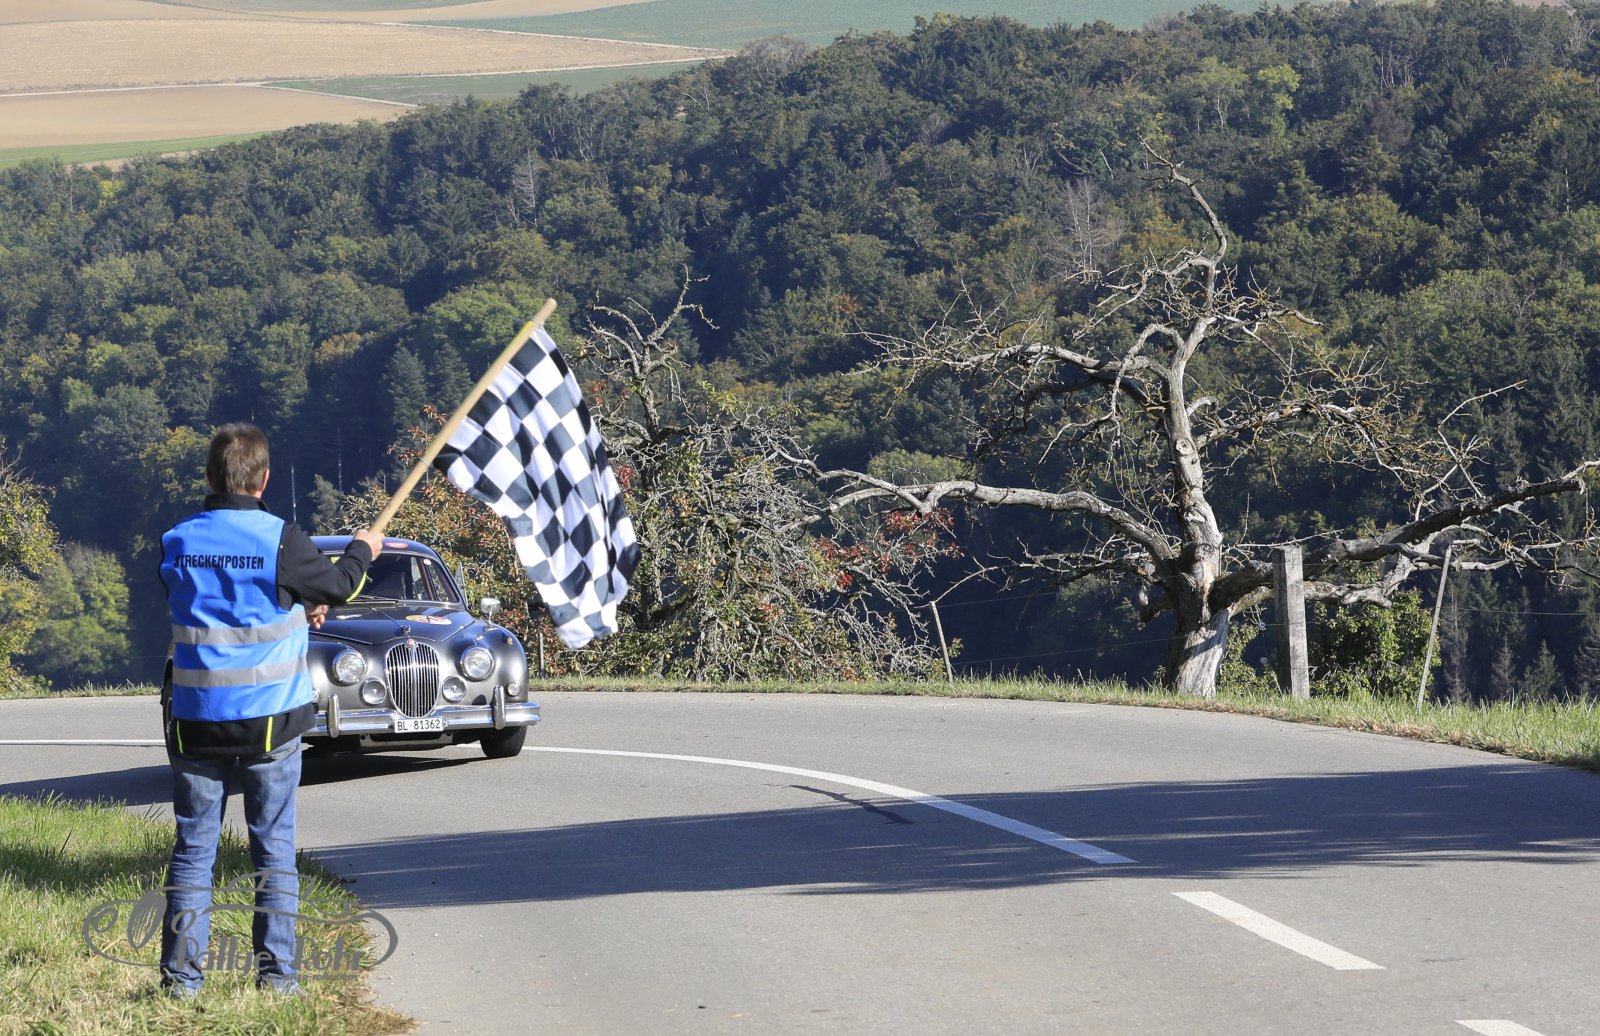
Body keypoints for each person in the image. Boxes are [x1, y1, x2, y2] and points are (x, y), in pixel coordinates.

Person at [157, 423, 383, 998]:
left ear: (210, 476)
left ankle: (181, 983)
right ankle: (277, 979)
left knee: (193, 852)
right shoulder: (281, 540)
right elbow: (339, 586)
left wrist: (294, 610)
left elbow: (216, 610)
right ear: (263, 479)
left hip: (195, 720)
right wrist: (364, 548)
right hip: (269, 723)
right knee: (273, 851)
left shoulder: (176, 542)